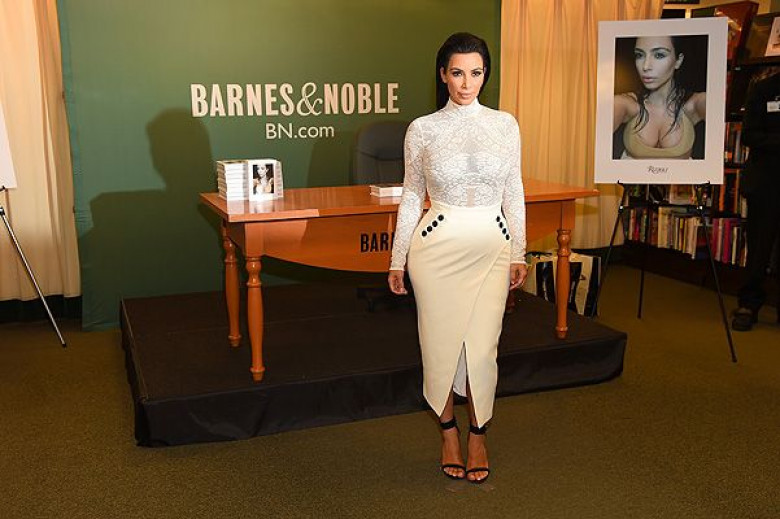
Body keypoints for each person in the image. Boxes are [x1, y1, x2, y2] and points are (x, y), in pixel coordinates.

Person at [387, 32, 527, 484]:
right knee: (439, 347)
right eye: (458, 73)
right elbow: (412, 195)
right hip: (436, 251)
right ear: (443, 75)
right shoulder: (422, 129)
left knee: (483, 350)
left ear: (486, 75)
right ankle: (449, 432)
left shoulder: (505, 125)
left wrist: (520, 251)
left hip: (492, 247)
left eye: (476, 73)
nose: (467, 83)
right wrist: (397, 259)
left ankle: (478, 434)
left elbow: (514, 190)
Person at [732, 71, 780, 331]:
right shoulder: (764, 88)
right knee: (759, 247)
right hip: (766, 182)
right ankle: (749, 304)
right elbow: (750, 135)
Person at [613, 35, 706, 159]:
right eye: (640, 55)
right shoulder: (625, 104)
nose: (645, 66)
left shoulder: (694, 104)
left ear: (678, 61)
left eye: (659, 55)